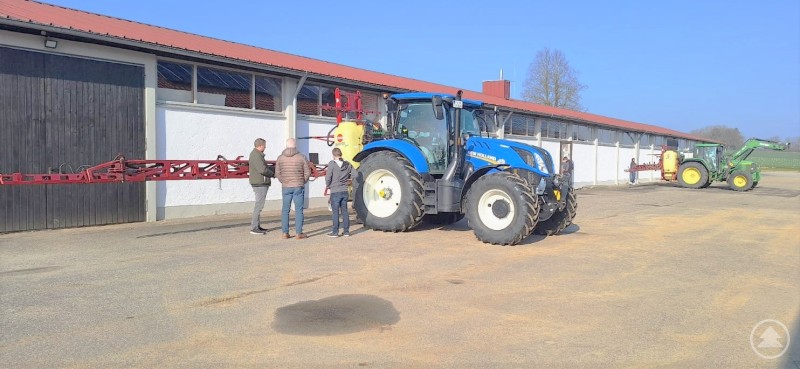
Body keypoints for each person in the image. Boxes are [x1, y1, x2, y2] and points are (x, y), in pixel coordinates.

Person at [275, 138, 311, 239]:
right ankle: (299, 233)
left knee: (285, 210)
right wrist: (302, 181)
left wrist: (283, 181)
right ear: (295, 145)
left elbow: (277, 173)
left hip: (286, 186)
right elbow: (307, 172)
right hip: (298, 185)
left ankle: (285, 232)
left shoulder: (280, 158)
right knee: (299, 210)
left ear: (286, 145)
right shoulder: (301, 157)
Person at [325, 147, 354, 238]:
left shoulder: (332, 164)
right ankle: (346, 232)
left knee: (335, 212)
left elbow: (328, 177)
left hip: (335, 191)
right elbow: (356, 174)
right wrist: (350, 180)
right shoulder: (347, 164)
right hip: (344, 191)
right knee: (345, 212)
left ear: (333, 155)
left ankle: (335, 232)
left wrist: (328, 185)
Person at [248, 138, 273, 235]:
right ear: (260, 146)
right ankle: (254, 228)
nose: (265, 147)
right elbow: (262, 170)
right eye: (264, 145)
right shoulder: (256, 155)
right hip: (260, 183)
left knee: (259, 205)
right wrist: (272, 174)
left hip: (259, 182)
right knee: (259, 206)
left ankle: (257, 226)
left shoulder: (256, 154)